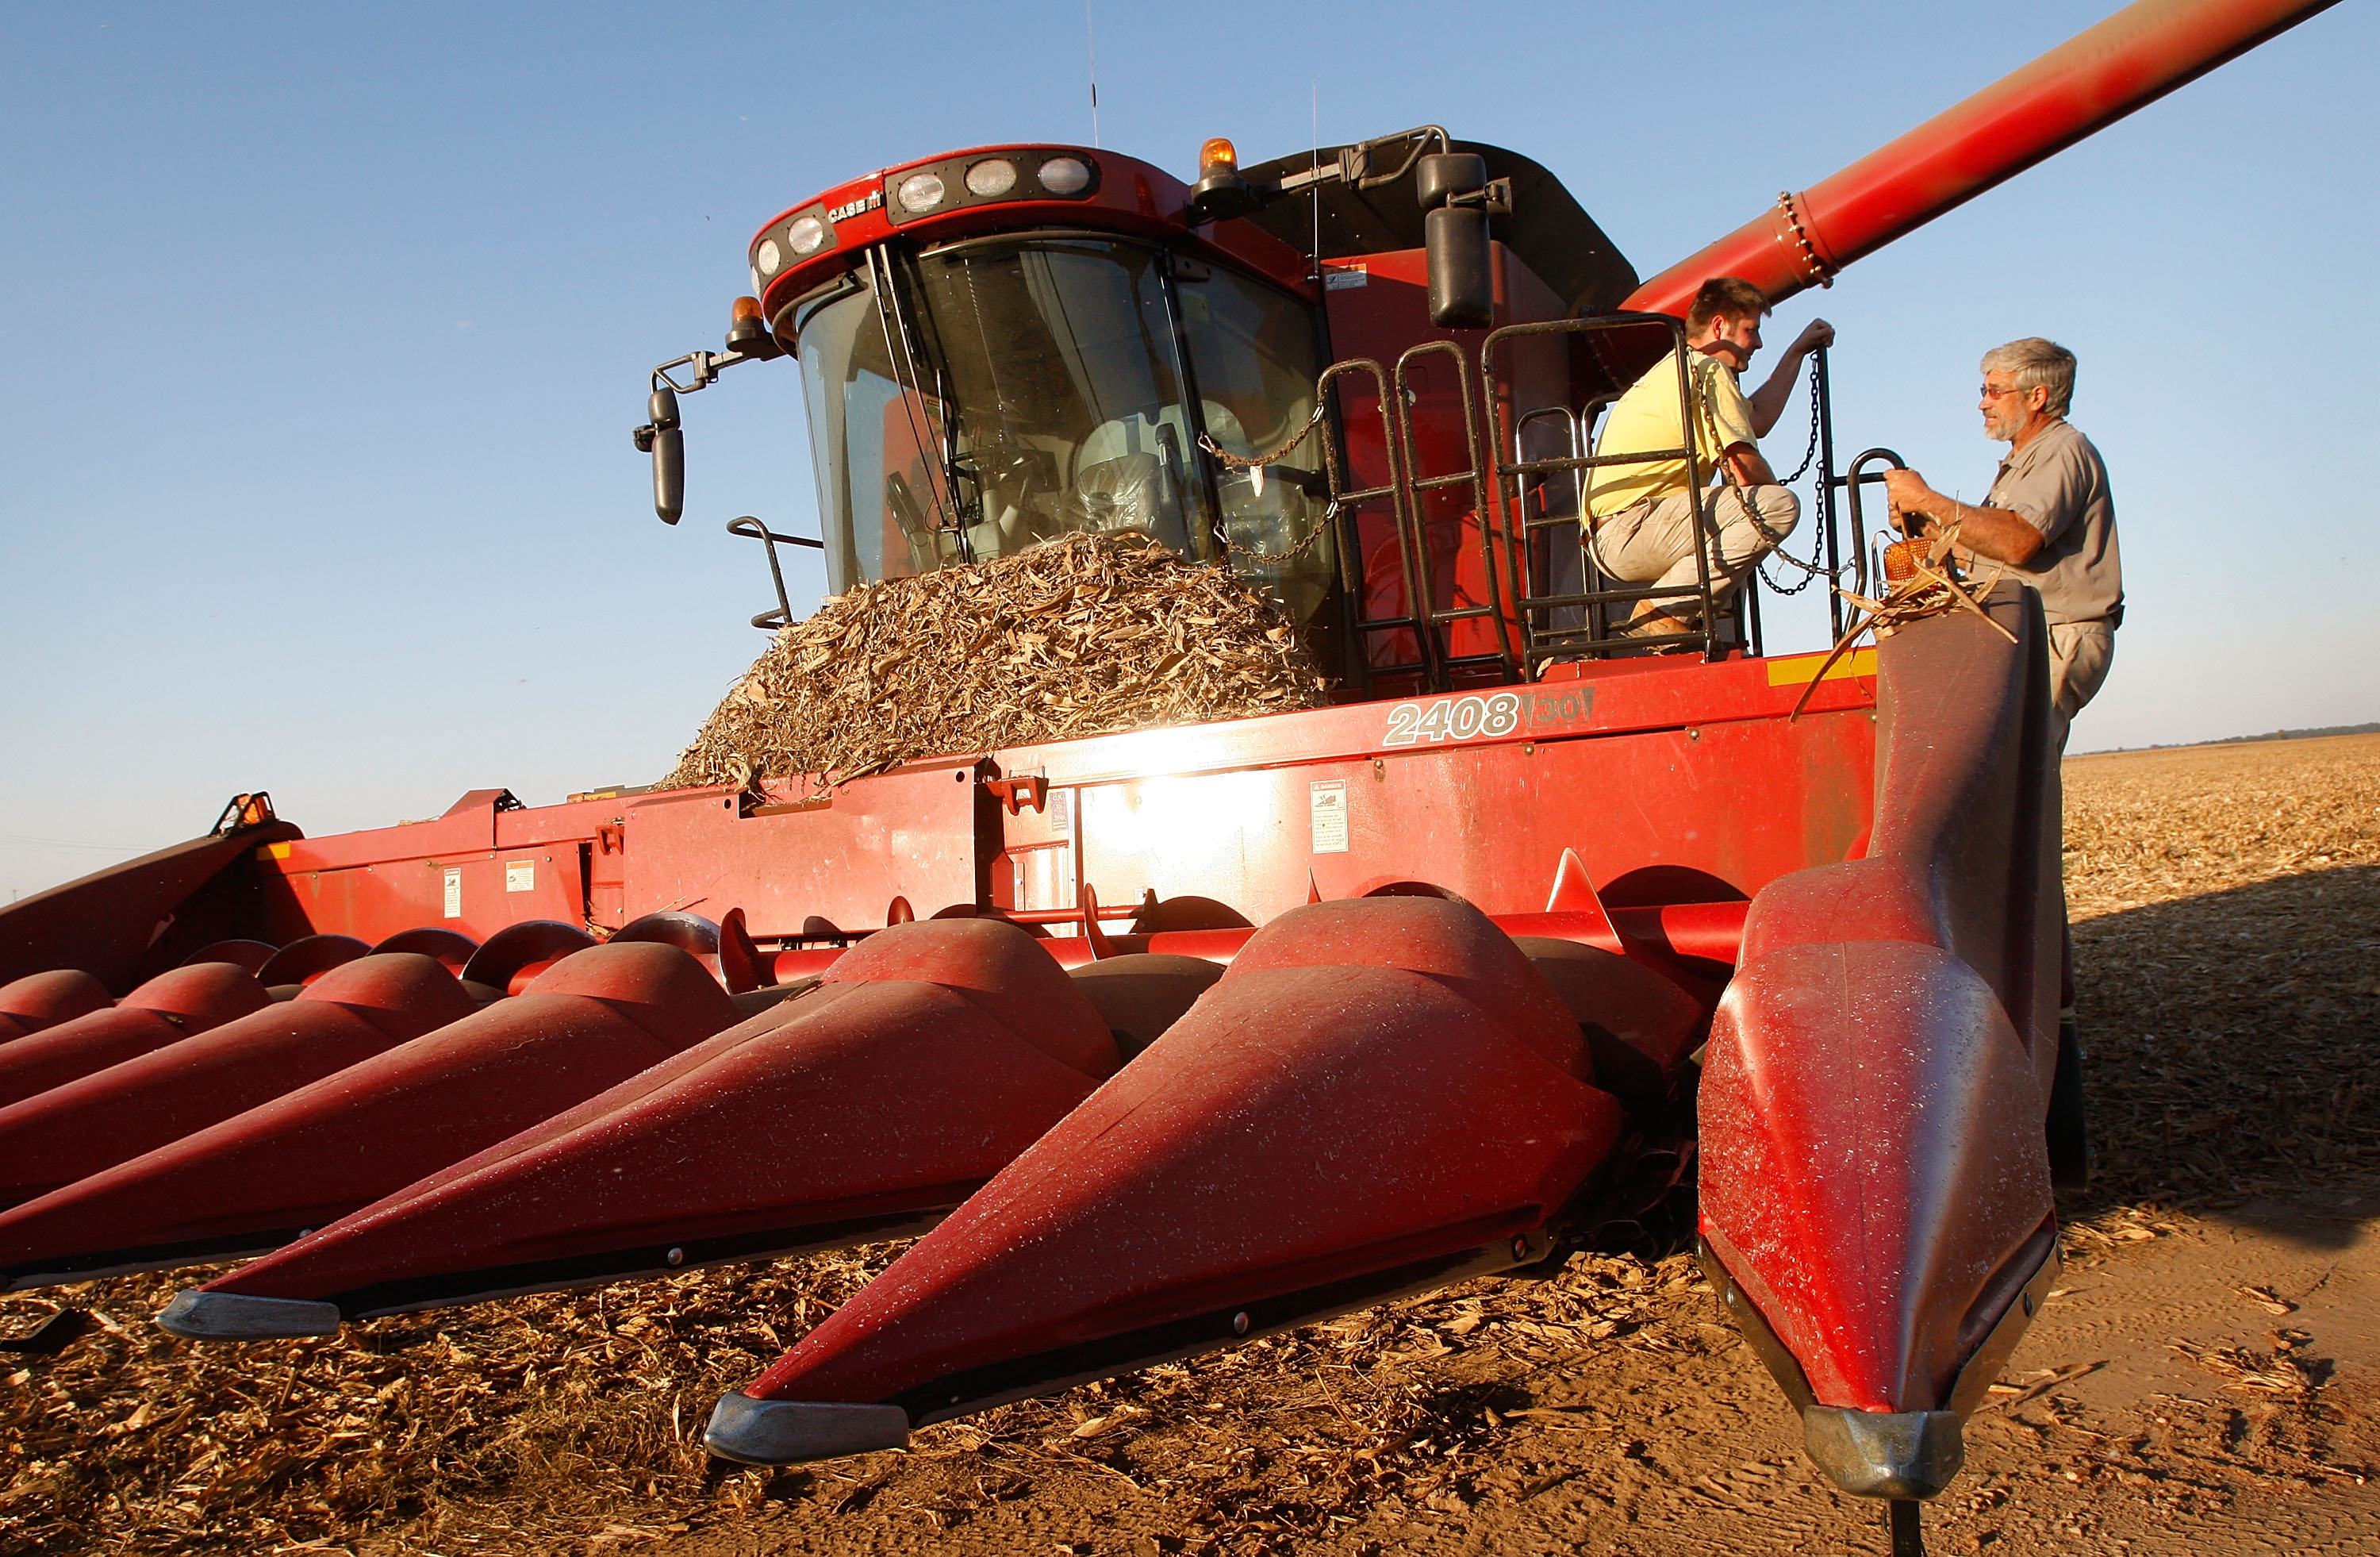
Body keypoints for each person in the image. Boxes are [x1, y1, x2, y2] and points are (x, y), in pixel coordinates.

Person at [1882, 338, 2122, 752]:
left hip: (2053, 634)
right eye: (1984, 391)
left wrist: (1927, 500)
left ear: (2037, 397)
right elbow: (1993, 543)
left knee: (2018, 771)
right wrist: (1926, 527)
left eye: (1995, 391)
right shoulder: (2027, 461)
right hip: (2029, 633)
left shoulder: (2063, 451)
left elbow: (2019, 542)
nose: (1983, 404)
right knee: (2003, 771)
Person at [1584, 277, 1834, 640]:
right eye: (1751, 330)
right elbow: (1743, 466)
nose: (1758, 343)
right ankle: (1663, 610)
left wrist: (1796, 351)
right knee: (1778, 506)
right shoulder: (1706, 370)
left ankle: (1677, 610)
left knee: (1768, 505)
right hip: (1631, 527)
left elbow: (1757, 419)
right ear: (1719, 326)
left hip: (1619, 531)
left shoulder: (1679, 369)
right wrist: (1770, 525)